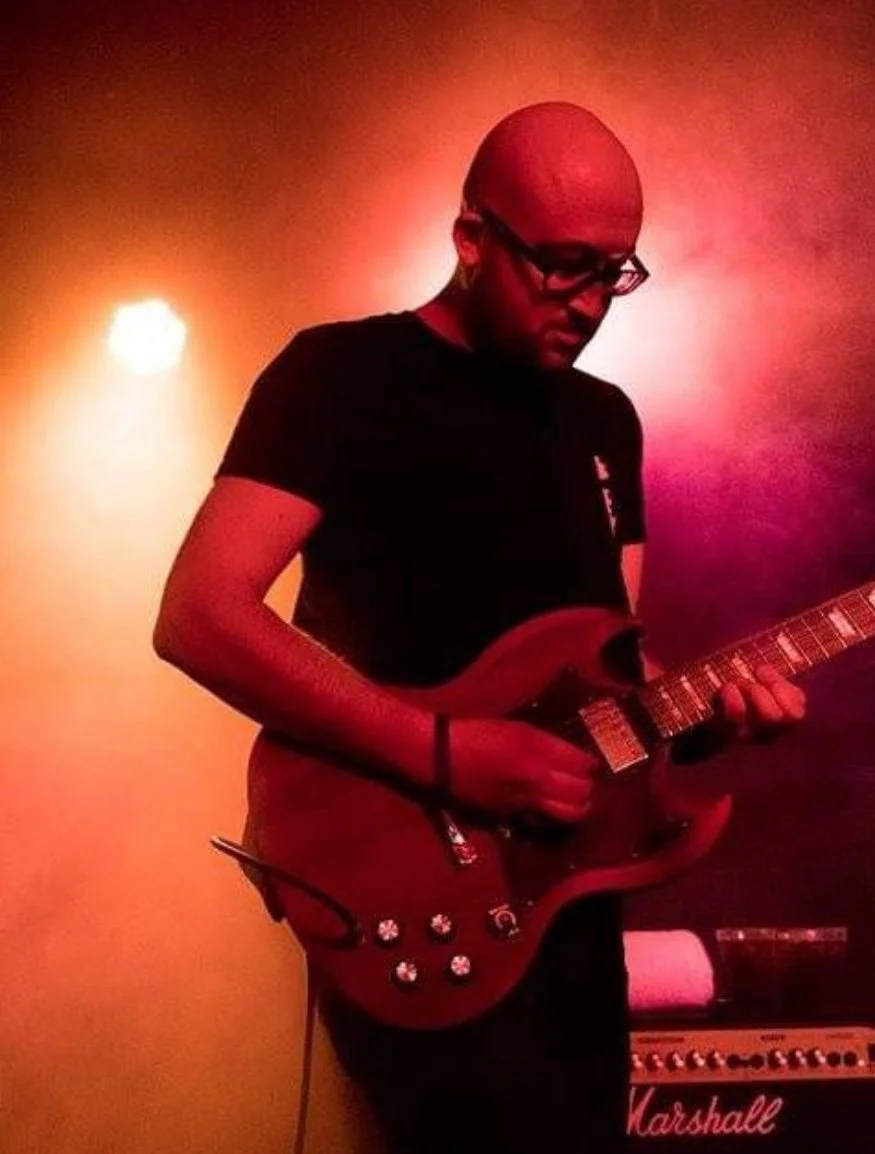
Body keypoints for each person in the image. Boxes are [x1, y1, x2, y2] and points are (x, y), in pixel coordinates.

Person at [153, 101, 805, 1154]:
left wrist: (709, 722)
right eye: (563, 266)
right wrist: (445, 753)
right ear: (471, 237)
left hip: (565, 902)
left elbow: (614, 674)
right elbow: (199, 613)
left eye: (614, 272)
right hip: (407, 873)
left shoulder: (604, 421)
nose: (589, 302)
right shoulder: (340, 376)